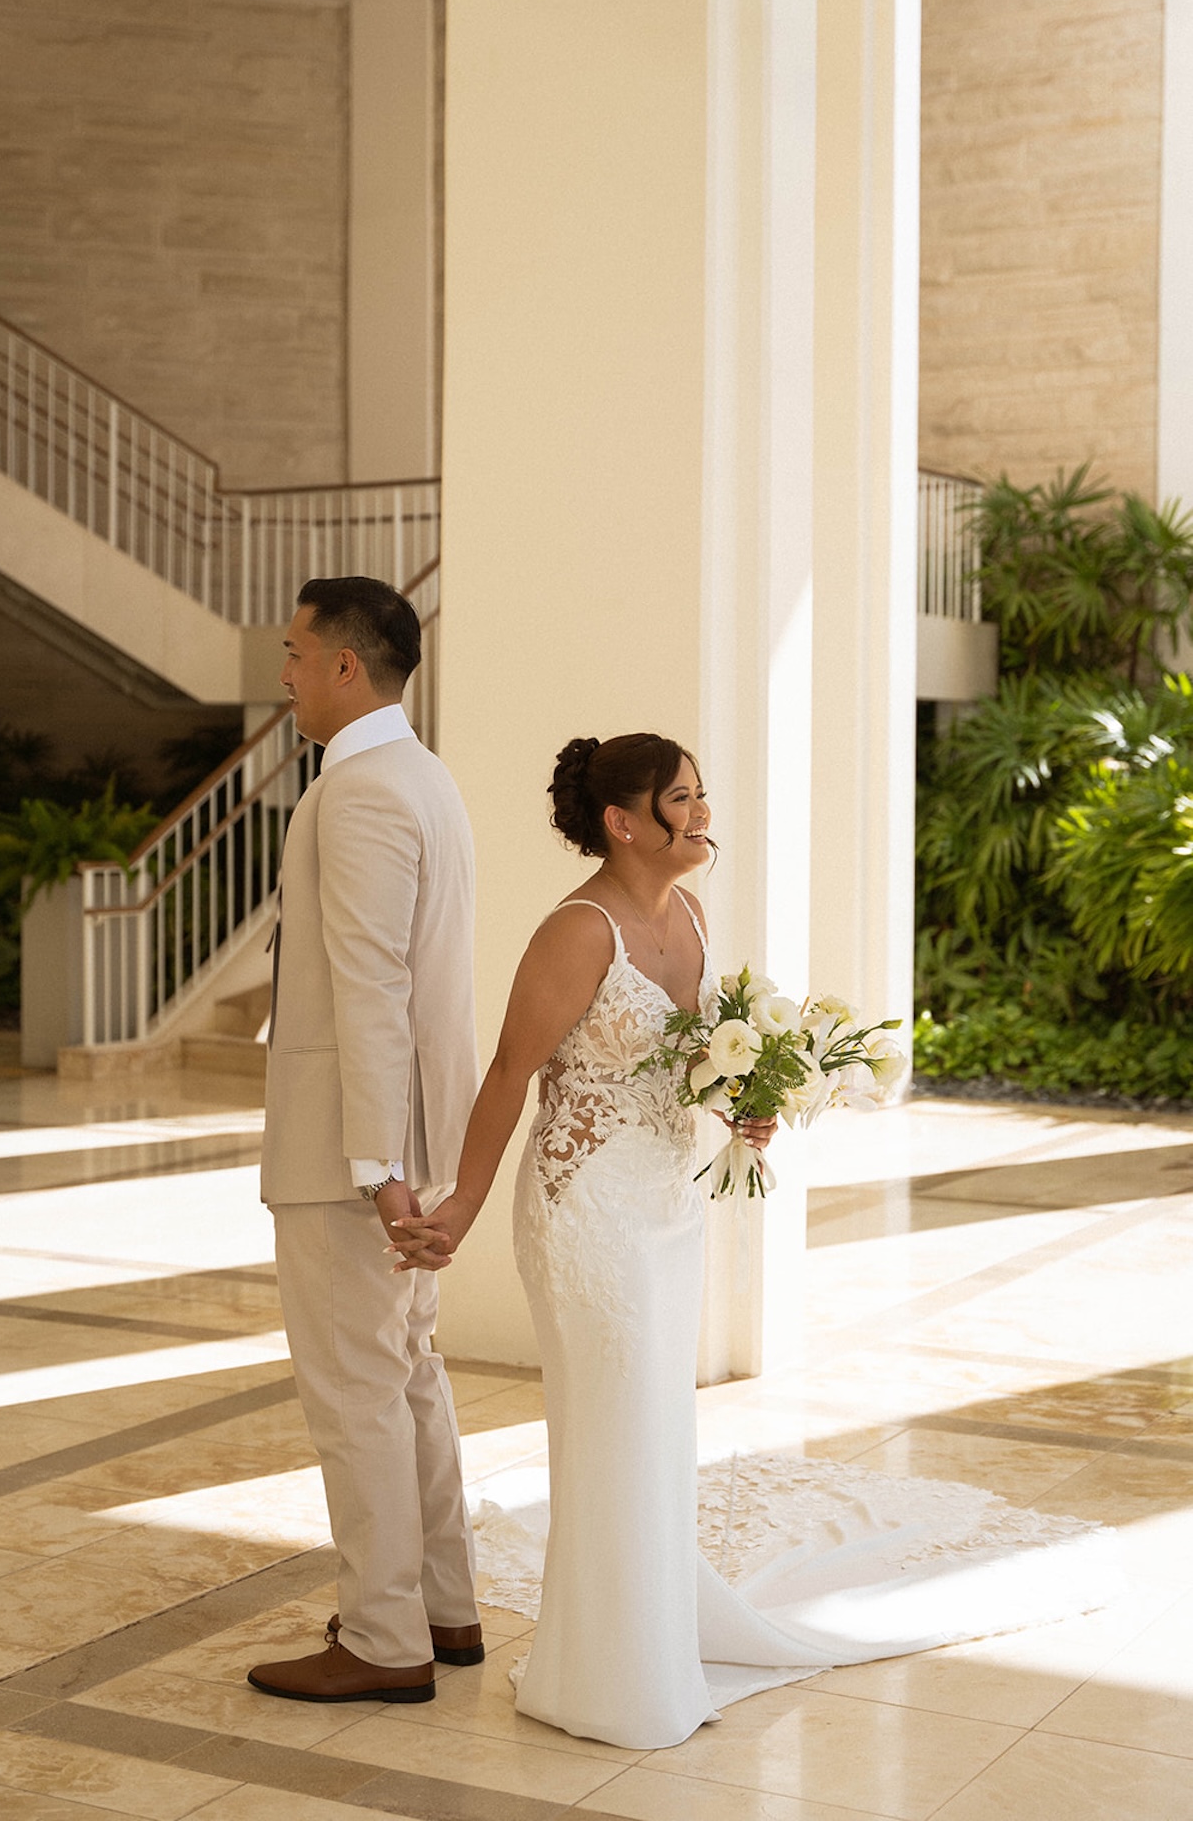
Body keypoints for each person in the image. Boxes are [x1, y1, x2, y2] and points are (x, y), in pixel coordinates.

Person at [389, 732, 1121, 1750]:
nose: (700, 813)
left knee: (652, 1425)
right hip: (585, 1209)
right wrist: (460, 1206)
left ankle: (647, 1634)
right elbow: (510, 1073)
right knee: (609, 1422)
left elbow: (689, 1058)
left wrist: (745, 1106)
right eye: (681, 798)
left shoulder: (685, 913)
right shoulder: (576, 930)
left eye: (697, 794)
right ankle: (603, 1674)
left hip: (666, 1202)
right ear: (622, 820)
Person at [246, 576, 483, 1707]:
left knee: (354, 1390)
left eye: (295, 653)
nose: (282, 672)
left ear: (346, 665)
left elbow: (373, 984)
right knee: (406, 1379)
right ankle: (443, 1609)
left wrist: (375, 1170)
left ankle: (383, 1637)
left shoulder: (363, 792)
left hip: (355, 1147)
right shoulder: (420, 776)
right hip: (396, 1132)